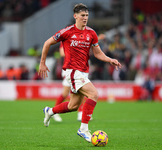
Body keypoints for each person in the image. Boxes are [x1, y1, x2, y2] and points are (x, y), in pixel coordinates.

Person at [39, 3, 121, 143]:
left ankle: (50, 111)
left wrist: (109, 59)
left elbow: (97, 53)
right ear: (75, 16)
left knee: (73, 106)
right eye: (82, 15)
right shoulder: (67, 31)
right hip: (72, 71)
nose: (85, 18)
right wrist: (42, 62)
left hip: (83, 73)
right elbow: (47, 43)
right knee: (94, 94)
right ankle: (83, 129)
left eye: (87, 15)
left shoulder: (91, 33)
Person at [53, 42, 85, 122]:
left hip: (78, 69)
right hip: (68, 69)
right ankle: (54, 111)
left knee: (80, 90)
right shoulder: (65, 39)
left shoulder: (79, 38)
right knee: (66, 93)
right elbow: (62, 53)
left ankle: (81, 113)